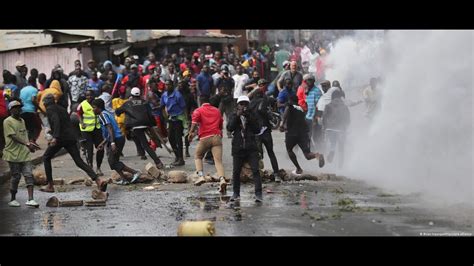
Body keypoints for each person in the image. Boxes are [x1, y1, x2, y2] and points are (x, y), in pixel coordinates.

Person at [40, 94, 107, 193]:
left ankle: (50, 185)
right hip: (70, 137)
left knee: (46, 157)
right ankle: (98, 180)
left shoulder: (50, 109)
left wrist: (55, 137)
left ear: (46, 102)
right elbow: (65, 122)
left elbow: (56, 121)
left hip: (61, 138)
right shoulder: (61, 108)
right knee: (78, 161)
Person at [92, 98, 141, 185]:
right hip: (118, 138)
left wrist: (112, 142)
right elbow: (109, 131)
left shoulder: (102, 115)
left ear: (99, 108)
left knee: (112, 162)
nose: (93, 109)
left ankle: (135, 172)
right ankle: (124, 179)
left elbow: (110, 128)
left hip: (117, 139)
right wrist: (103, 143)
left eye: (94, 107)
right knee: (114, 161)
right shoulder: (107, 113)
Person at [3, 100, 40, 207]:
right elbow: (13, 136)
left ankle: (31, 199)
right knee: (16, 176)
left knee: (28, 175)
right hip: (13, 153)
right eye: (16, 108)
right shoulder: (7, 121)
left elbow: (24, 135)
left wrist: (31, 145)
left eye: (19, 107)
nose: (18, 109)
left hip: (24, 153)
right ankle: (13, 199)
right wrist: (27, 143)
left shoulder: (22, 120)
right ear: (10, 110)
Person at [115, 87, 164, 169]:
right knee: (140, 138)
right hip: (146, 124)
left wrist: (117, 109)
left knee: (145, 144)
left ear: (131, 94)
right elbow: (151, 114)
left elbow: (118, 112)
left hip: (135, 125)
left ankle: (157, 162)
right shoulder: (145, 102)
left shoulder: (127, 103)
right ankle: (142, 153)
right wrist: (154, 125)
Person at [227, 95, 263, 203]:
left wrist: (249, 117)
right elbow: (229, 128)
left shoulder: (253, 114)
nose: (243, 106)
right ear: (237, 105)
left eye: (245, 104)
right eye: (241, 104)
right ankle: (236, 193)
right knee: (236, 171)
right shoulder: (233, 114)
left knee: (256, 171)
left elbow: (257, 129)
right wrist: (237, 116)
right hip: (238, 148)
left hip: (251, 147)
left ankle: (258, 194)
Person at [188, 96, 227, 194]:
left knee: (198, 156)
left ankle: (201, 176)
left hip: (205, 137)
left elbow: (194, 122)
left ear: (200, 102)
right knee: (218, 161)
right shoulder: (217, 110)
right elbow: (221, 124)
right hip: (217, 136)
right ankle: (222, 179)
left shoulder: (198, 110)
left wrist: (190, 133)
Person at [280, 95, 325, 175]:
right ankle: (317, 155)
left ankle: (298, 169)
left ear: (290, 100)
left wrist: (282, 124)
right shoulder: (301, 109)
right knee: (307, 155)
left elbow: (286, 111)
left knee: (289, 150)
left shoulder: (290, 106)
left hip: (292, 133)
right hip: (302, 133)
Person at [249, 80, 282, 182]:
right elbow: (275, 101)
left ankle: (258, 175)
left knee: (257, 155)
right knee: (271, 152)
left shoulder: (251, 104)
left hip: (256, 132)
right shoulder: (266, 100)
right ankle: (276, 174)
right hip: (266, 131)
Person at [76, 89, 105, 176]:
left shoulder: (97, 102)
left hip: (97, 128)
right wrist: (82, 122)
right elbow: (78, 114)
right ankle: (90, 168)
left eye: (90, 95)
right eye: (87, 95)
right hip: (86, 130)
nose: (89, 97)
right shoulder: (82, 104)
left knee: (100, 148)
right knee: (89, 149)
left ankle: (98, 168)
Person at [161, 80, 186, 166]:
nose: (167, 86)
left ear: (172, 85)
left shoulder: (177, 95)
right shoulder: (164, 95)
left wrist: (186, 121)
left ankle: (181, 159)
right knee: (171, 138)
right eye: (166, 85)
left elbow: (184, 108)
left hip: (178, 119)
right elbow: (162, 107)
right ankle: (177, 156)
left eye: (169, 85)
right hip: (170, 119)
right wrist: (166, 118)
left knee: (178, 139)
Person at [322, 90, 350, 168]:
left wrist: (324, 127)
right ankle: (340, 166)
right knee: (341, 147)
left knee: (332, 143)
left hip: (330, 129)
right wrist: (345, 127)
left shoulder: (328, 105)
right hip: (340, 129)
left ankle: (332, 151)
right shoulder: (344, 107)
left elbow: (324, 118)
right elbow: (348, 119)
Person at [19, 76, 41, 143]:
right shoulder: (34, 89)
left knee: (27, 128)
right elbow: (33, 100)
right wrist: (39, 108)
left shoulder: (22, 90)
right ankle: (32, 141)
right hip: (31, 111)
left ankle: (29, 142)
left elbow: (20, 99)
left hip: (22, 111)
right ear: (34, 82)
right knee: (38, 127)